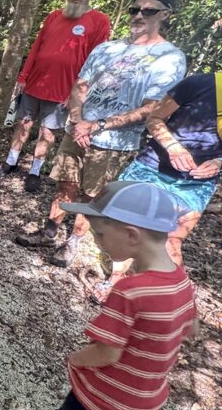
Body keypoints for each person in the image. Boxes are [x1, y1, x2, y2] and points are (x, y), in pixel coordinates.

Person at [0, 181, 198, 410]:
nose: (96, 239)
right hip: (140, 406)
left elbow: (108, 350)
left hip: (104, 402)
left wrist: (76, 359)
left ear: (132, 235)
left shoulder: (131, 291)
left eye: (102, 234)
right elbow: (189, 326)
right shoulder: (180, 282)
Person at [15, 0, 186, 268]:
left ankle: (73, 242)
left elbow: (152, 108)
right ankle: (49, 231)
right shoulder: (108, 49)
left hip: (114, 142)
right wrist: (78, 119)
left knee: (93, 194)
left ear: (165, 15)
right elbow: (80, 85)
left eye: (149, 10)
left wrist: (98, 125)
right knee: (65, 183)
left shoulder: (169, 58)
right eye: (135, 10)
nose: (139, 15)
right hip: (79, 130)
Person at [89, 71, 222, 302]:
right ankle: (115, 282)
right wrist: (173, 147)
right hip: (153, 166)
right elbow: (155, 118)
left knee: (172, 238)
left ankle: (163, 302)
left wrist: (219, 162)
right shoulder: (202, 83)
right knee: (126, 223)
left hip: (196, 181)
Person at [0, 0, 110, 193]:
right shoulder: (54, 16)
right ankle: (10, 162)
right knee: (24, 123)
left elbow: (96, 61)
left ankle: (35, 171)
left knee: (48, 132)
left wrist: (77, 94)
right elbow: (36, 47)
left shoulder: (99, 21)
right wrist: (23, 77)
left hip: (63, 90)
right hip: (35, 83)